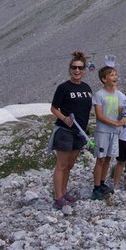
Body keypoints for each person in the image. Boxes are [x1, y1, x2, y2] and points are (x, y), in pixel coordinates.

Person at [50, 51, 93, 210]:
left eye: (80, 68)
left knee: (69, 165)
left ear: (84, 70)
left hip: (80, 132)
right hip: (65, 131)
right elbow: (54, 108)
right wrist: (64, 119)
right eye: (74, 68)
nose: (77, 71)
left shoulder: (87, 88)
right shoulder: (63, 87)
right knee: (61, 164)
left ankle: (64, 192)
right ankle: (58, 197)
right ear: (70, 70)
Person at [92, 65, 126, 200]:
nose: (115, 77)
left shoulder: (118, 94)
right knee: (100, 159)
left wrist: (123, 112)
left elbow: (120, 109)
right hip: (103, 132)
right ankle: (96, 188)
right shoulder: (99, 95)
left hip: (114, 132)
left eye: (115, 74)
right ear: (103, 79)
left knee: (108, 158)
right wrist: (116, 123)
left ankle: (102, 183)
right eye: (112, 75)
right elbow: (100, 116)